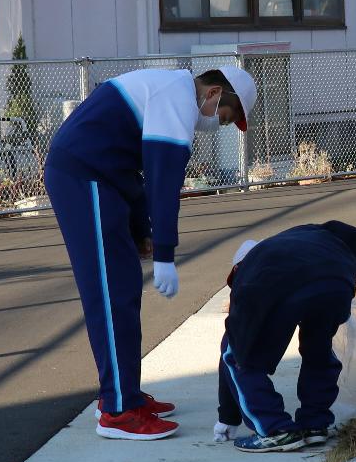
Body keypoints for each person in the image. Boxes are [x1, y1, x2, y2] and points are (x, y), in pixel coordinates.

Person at [42, 65, 253, 440]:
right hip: (84, 175)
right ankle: (119, 412)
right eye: (227, 116)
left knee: (121, 290)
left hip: (99, 176)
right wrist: (165, 255)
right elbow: (162, 181)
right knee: (109, 295)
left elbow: (134, 173)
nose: (222, 125)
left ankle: (126, 394)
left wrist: (143, 232)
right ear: (215, 92)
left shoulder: (171, 88)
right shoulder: (178, 99)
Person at [214, 221, 356, 453]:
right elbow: (351, 234)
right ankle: (315, 424)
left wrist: (228, 417)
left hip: (280, 281)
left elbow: (234, 350)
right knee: (319, 349)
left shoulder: (253, 271)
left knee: (236, 354)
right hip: (337, 279)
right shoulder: (302, 237)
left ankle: (275, 430)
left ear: (236, 269)